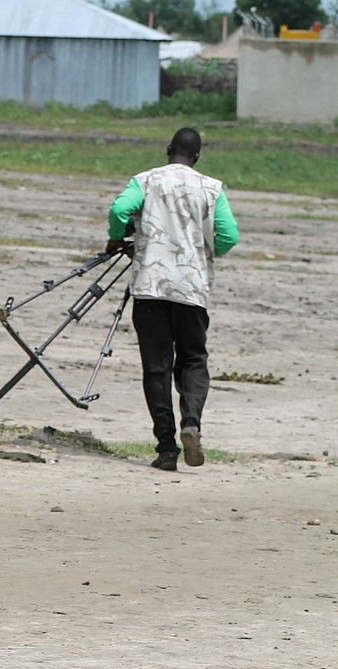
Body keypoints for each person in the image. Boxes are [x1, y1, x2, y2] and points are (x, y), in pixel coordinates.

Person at [106, 127, 239, 472]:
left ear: (168, 149)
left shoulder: (145, 181)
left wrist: (117, 238)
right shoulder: (212, 189)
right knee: (193, 360)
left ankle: (166, 450)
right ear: (197, 156)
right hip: (192, 289)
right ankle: (191, 424)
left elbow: (120, 210)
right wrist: (206, 252)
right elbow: (228, 236)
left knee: (157, 368)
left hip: (150, 286)